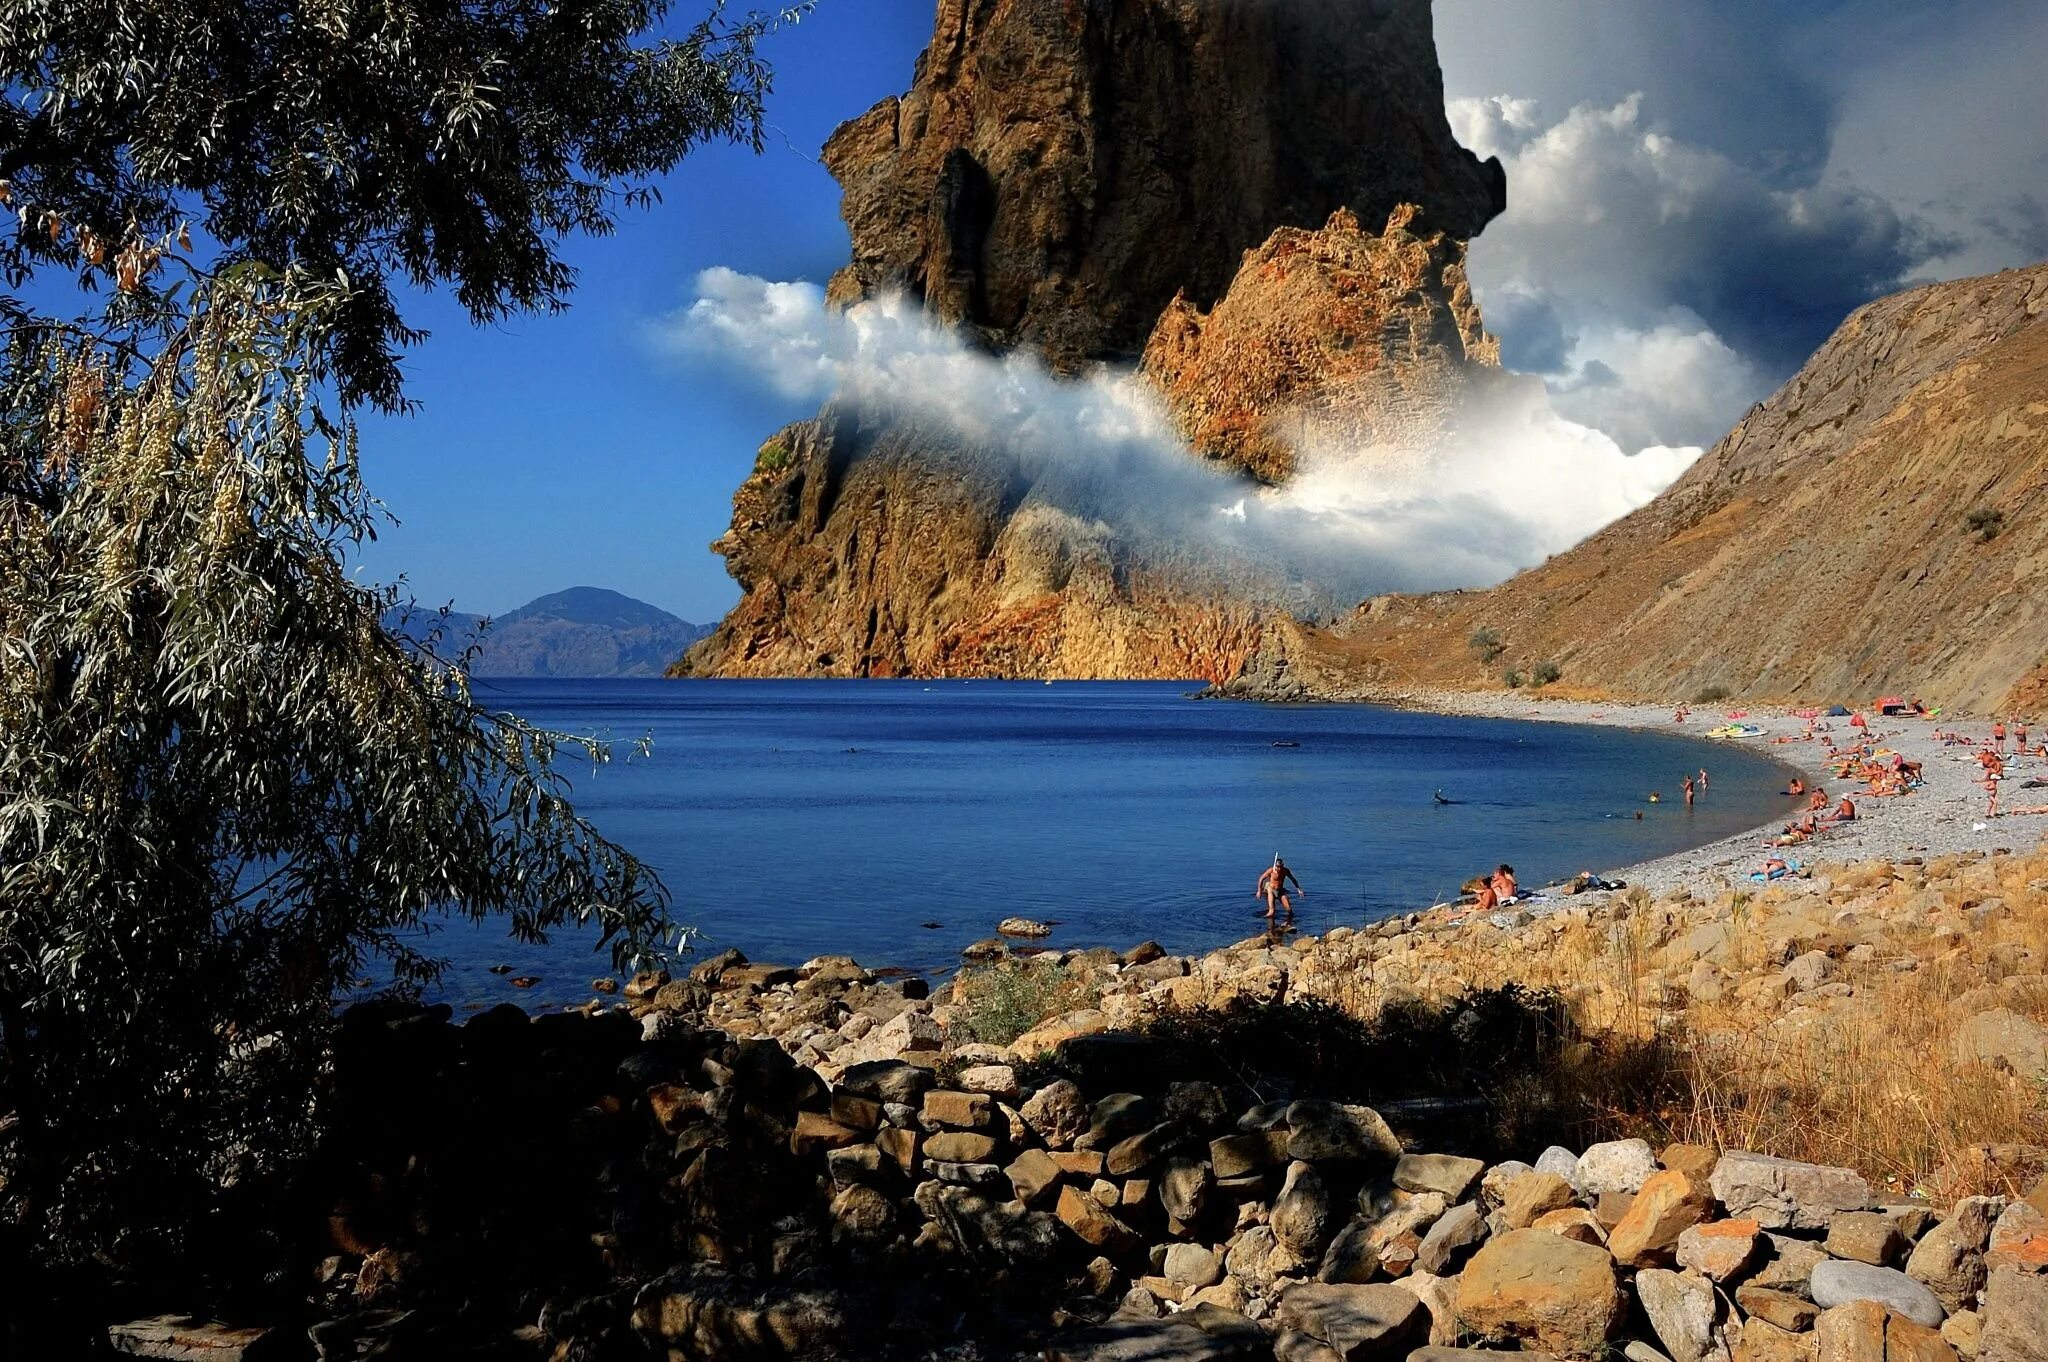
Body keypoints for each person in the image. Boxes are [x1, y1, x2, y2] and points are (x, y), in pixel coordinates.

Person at [1256, 854, 1303, 921]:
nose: (1279, 868)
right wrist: (1259, 891)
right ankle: (1262, 923)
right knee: (1272, 912)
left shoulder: (1285, 871)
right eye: (1278, 867)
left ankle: (1288, 924)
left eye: (1281, 866)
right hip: (1271, 890)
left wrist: (1299, 889)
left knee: (1289, 910)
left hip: (1280, 891)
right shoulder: (1271, 870)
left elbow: (1293, 879)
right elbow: (1261, 878)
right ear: (1275, 865)